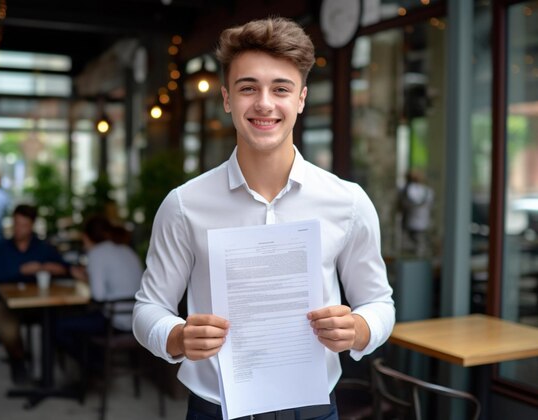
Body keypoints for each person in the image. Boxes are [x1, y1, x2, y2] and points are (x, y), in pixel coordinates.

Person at [132, 17, 395, 420]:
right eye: (248, 88)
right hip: (214, 409)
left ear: (302, 99)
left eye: (281, 89)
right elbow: (148, 307)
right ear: (226, 98)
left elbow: (379, 302)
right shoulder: (184, 204)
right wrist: (177, 336)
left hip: (312, 410)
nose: (264, 103)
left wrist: (358, 329)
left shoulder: (348, 202)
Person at [0, 203, 68, 384]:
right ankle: (18, 361)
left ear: (31, 226)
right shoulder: (1, 249)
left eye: (23, 225)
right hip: (7, 303)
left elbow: (64, 267)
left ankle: (51, 369)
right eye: (16, 224)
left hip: (39, 303)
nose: (18, 229)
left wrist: (49, 268)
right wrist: (21, 271)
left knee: (59, 321)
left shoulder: (42, 248)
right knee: (8, 330)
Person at [55, 214, 143, 364]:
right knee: (80, 320)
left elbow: (98, 296)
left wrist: (82, 277)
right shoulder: (126, 250)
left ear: (86, 236)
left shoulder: (97, 253)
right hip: (137, 319)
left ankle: (95, 367)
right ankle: (96, 366)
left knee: (58, 326)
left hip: (116, 322)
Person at [399, 169, 434, 256]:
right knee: (419, 248)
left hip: (410, 222)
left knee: (411, 249)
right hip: (422, 223)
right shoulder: (427, 191)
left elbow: (403, 205)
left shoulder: (407, 190)